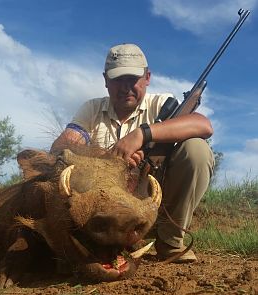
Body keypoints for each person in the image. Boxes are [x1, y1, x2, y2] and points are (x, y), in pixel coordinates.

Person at [50, 43, 215, 263]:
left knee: (197, 150)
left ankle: (170, 241)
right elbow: (61, 147)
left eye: (132, 79)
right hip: (101, 212)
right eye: (118, 79)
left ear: (147, 77)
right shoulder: (91, 109)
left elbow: (203, 125)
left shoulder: (162, 104)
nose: (125, 87)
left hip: (151, 203)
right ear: (106, 80)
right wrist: (109, 158)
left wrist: (142, 135)